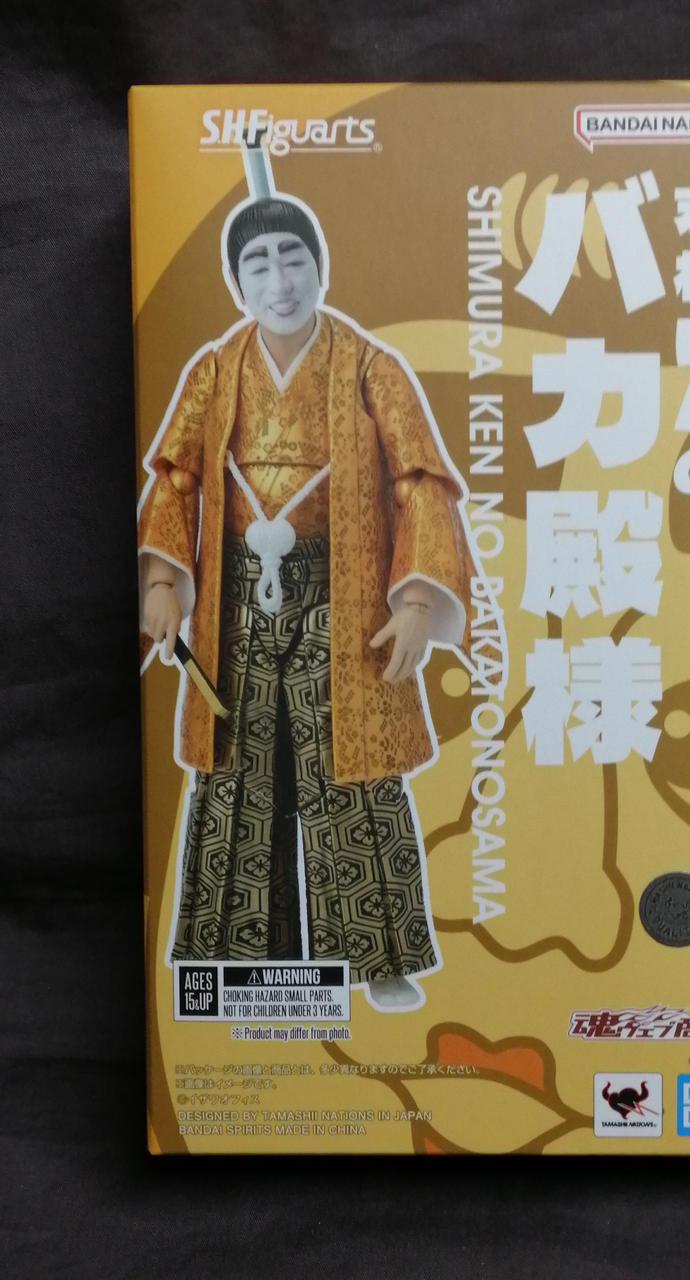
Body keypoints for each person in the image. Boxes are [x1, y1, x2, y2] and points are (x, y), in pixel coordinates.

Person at [138, 192, 473, 1011]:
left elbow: (420, 483)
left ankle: (378, 957)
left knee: (349, 770)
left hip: (345, 594)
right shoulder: (215, 369)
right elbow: (177, 478)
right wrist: (161, 584)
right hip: (236, 602)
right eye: (259, 264)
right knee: (238, 768)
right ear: (235, 282)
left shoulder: (369, 367)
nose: (280, 281)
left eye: (295, 259)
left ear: (321, 269)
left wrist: (417, 604)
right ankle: (233, 957)